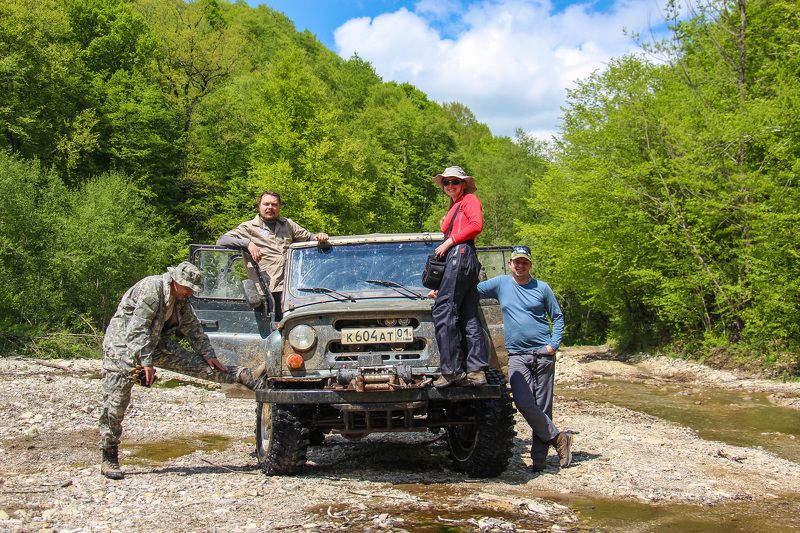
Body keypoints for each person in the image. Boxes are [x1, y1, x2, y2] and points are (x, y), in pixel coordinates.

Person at [99, 262, 264, 480]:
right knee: (116, 402)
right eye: (188, 288)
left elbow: (193, 328)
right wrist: (146, 362)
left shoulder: (181, 300)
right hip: (122, 347)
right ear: (176, 282)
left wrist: (209, 354)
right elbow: (137, 329)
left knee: (201, 366)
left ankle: (242, 375)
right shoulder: (152, 288)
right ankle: (109, 454)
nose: (190, 293)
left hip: (155, 343)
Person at [477, 245, 572, 471]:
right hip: (517, 355)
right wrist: (441, 292)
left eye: (524, 262)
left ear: (530, 265)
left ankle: (539, 459)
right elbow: (471, 290)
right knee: (522, 401)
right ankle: (559, 438)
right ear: (510, 264)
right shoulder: (500, 284)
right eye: (517, 261)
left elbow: (557, 317)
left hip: (543, 354)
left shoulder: (542, 288)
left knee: (543, 406)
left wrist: (553, 344)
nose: (520, 265)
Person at [217, 191, 328, 320]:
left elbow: (309, 237)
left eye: (274, 204)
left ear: (279, 206)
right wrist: (247, 243)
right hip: (265, 292)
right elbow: (222, 240)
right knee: (270, 328)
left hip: (291, 290)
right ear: (259, 205)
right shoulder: (248, 227)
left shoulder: (287, 224)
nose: (270, 207)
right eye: (266, 204)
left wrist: (319, 236)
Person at [429, 166, 489, 388]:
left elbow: (476, 225)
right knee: (468, 313)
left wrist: (450, 241)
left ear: (463, 184)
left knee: (443, 310)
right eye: (446, 182)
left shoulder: (469, 200)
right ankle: (476, 370)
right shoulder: (455, 205)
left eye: (455, 181)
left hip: (460, 255)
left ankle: (452, 370)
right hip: (464, 259)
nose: (450, 185)